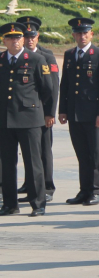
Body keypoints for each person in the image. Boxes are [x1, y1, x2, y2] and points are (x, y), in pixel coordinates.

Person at [0, 23, 53, 217]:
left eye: (18, 37)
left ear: (23, 39)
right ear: (4, 41)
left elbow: (47, 89)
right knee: (6, 164)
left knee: (33, 163)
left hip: (29, 119)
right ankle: (10, 204)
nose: (14, 41)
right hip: (5, 120)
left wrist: (42, 111)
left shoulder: (36, 59)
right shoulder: (1, 60)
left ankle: (38, 203)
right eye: (10, 38)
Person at [58, 17, 99, 206]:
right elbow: (65, 84)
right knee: (82, 154)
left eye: (85, 33)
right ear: (73, 35)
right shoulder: (69, 54)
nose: (82, 36)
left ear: (91, 34)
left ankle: (95, 190)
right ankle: (84, 190)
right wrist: (63, 110)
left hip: (93, 113)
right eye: (78, 33)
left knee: (96, 154)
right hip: (74, 112)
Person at [16, 16, 58, 203]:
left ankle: (47, 187)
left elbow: (52, 88)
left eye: (32, 36)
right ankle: (30, 184)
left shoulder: (46, 56)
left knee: (44, 151)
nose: (29, 39)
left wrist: (49, 113)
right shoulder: (19, 56)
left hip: (42, 112)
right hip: (25, 114)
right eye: (26, 36)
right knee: (29, 151)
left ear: (38, 36)